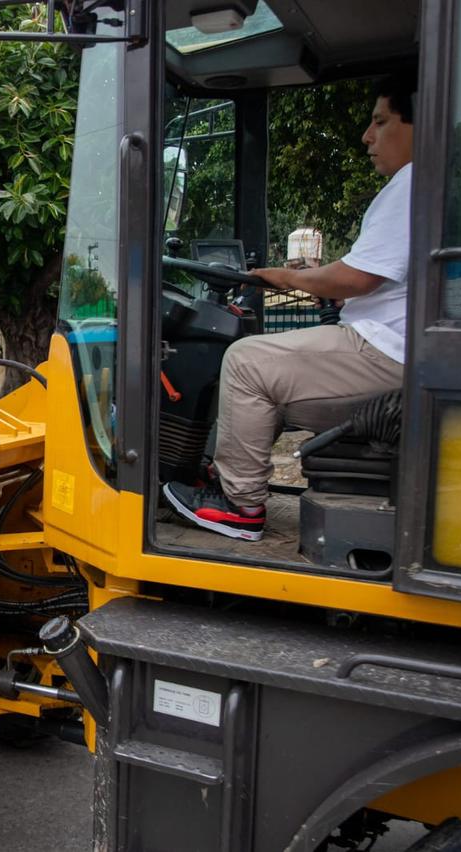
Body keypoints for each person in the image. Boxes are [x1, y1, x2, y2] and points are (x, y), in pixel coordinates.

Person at [163, 74, 415, 542]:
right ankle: (224, 476)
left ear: (421, 124)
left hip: (386, 356)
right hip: (397, 353)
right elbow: (371, 279)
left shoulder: (414, 181)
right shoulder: (428, 185)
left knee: (246, 361)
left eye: (381, 121)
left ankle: (239, 506)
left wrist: (287, 276)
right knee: (268, 369)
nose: (368, 136)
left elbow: (356, 278)